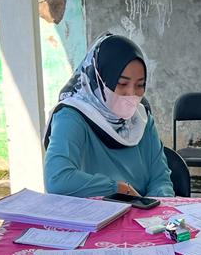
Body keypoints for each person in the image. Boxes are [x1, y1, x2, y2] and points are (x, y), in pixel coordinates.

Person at [44, 33, 173, 199]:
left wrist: (153, 205)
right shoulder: (72, 116)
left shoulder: (141, 118)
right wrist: (119, 189)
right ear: (100, 79)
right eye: (122, 83)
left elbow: (161, 180)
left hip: (140, 210)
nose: (131, 93)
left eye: (140, 85)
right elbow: (57, 179)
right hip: (90, 211)